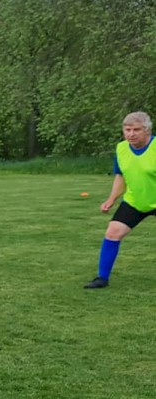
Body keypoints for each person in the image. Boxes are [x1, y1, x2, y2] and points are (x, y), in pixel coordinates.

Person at [85, 111, 156, 289]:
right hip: (135, 201)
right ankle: (102, 278)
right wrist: (111, 199)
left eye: (136, 130)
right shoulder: (121, 148)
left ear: (147, 130)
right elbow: (121, 176)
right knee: (112, 232)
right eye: (127, 130)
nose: (131, 134)